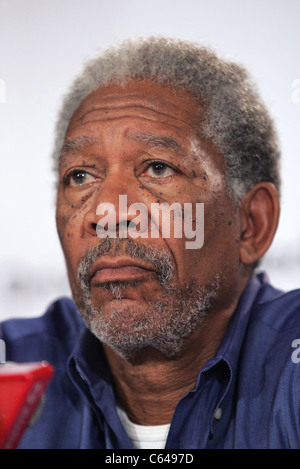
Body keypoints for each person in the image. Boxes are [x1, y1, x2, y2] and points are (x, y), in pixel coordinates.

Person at [1, 36, 300, 449]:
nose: (105, 212)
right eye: (80, 176)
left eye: (157, 168)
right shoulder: (14, 366)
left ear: (250, 225)